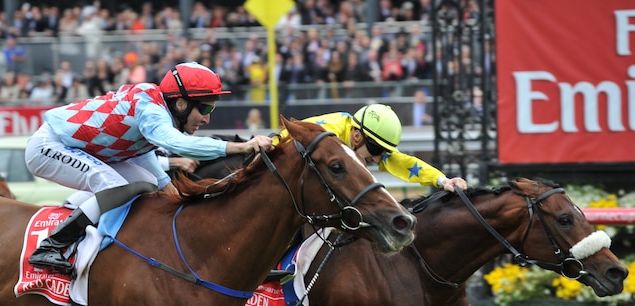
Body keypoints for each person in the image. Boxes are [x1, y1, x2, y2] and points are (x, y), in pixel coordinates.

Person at [25, 61, 273, 273]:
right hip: (49, 145)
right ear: (181, 104)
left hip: (78, 148)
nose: (207, 118)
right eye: (205, 108)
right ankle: (52, 245)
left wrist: (168, 188)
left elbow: (142, 154)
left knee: (152, 185)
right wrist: (241, 147)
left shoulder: (157, 106)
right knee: (114, 186)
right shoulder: (151, 110)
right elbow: (177, 143)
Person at [301, 104, 467, 192]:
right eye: (377, 150)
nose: (378, 159)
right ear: (357, 137)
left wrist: (443, 180)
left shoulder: (367, 141)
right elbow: (294, 132)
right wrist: (274, 142)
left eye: (385, 152)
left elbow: (405, 163)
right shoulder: (331, 129)